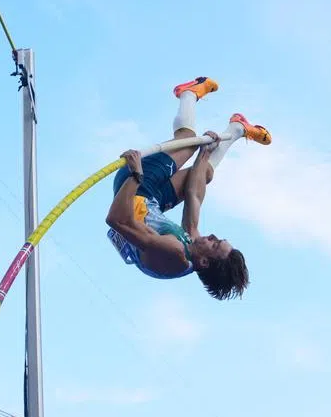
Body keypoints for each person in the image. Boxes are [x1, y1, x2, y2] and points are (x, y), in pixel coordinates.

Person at [105, 76, 271, 300]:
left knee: (188, 140)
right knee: (205, 173)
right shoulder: (193, 250)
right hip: (152, 199)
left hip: (135, 187)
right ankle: (237, 128)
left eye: (215, 244)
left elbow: (117, 220)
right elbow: (194, 195)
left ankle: (188, 93)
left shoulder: (174, 254)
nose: (212, 236)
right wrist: (205, 153)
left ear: (204, 262)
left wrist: (136, 174)